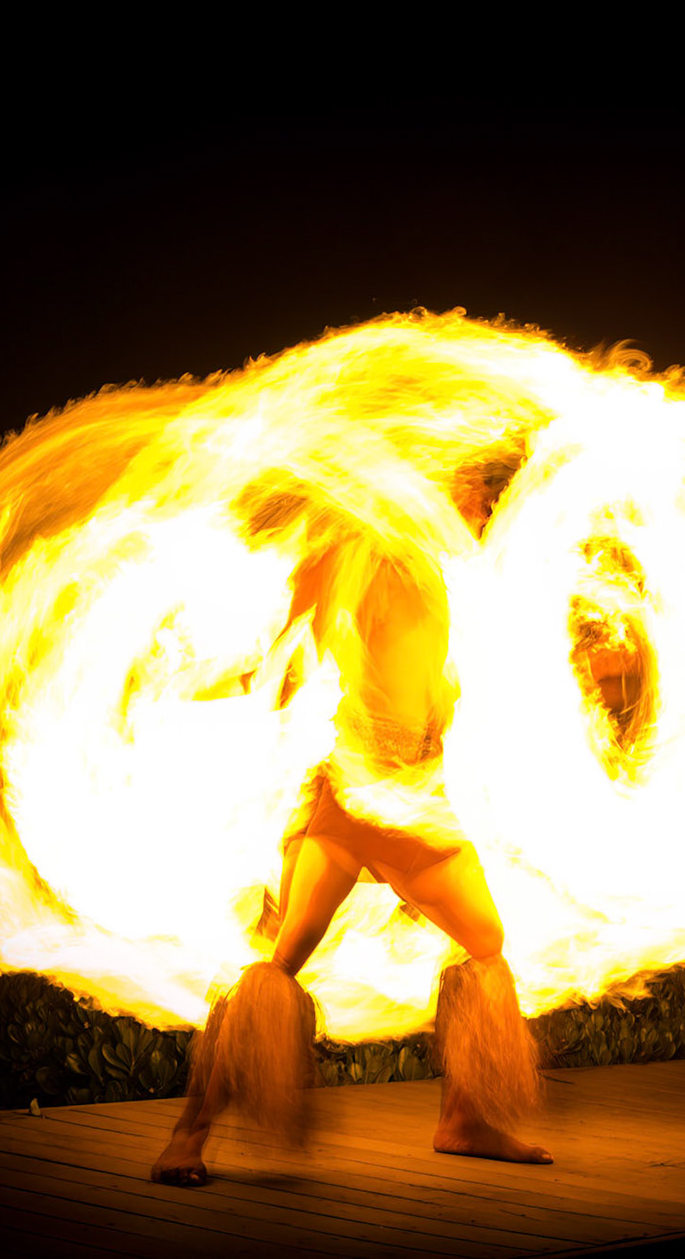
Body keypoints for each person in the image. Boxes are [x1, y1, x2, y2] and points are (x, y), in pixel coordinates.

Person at [151, 469, 550, 1186]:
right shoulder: (365, 550)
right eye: (471, 491)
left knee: (486, 945)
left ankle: (465, 1117)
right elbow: (294, 630)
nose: (483, 507)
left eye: (486, 495)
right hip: (348, 805)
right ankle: (188, 1133)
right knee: (279, 963)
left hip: (414, 811)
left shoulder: (447, 574)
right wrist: (247, 688)